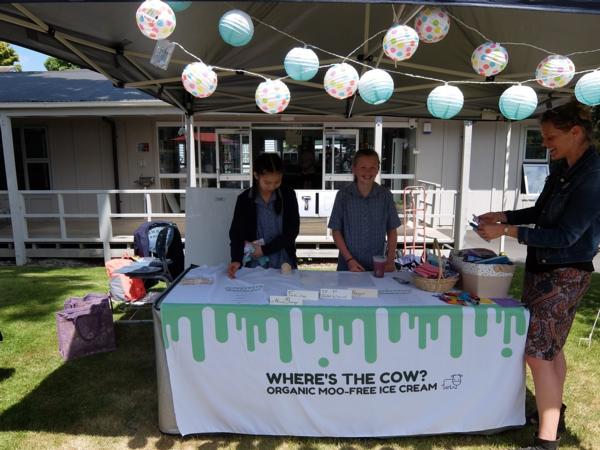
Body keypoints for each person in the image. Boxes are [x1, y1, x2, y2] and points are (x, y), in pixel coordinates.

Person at [476, 101, 600, 450]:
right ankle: (552, 411)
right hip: (541, 269)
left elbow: (566, 235)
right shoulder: (563, 168)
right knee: (551, 348)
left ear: (576, 132)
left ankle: (547, 441)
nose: (546, 144)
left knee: (538, 353)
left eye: (550, 138)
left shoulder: (593, 176)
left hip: (566, 273)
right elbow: (540, 211)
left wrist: (508, 232)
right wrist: (503, 215)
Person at [227, 152, 300, 278]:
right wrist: (236, 259)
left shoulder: (288, 195)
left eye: (277, 182)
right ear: (256, 175)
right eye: (267, 182)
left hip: (284, 263)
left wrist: (265, 250)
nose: (272, 187)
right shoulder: (245, 199)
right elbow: (236, 233)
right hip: (254, 264)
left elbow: (292, 231)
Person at [328, 148, 400, 272]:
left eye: (373, 167)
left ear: (378, 169)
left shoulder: (385, 195)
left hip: (378, 264)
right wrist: (349, 260)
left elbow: (392, 229)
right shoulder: (343, 196)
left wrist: (390, 259)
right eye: (363, 167)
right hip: (348, 265)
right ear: (354, 169)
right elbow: (336, 230)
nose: (368, 172)